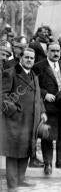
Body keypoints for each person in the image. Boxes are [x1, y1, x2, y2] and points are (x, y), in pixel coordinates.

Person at [1, 47, 46, 192]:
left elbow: (38, 96)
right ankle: (12, 185)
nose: (29, 60)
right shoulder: (10, 73)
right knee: (13, 152)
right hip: (15, 121)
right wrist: (15, 112)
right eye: (26, 57)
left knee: (26, 150)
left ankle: (21, 180)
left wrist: (43, 111)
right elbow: (3, 96)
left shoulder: (34, 75)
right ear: (20, 58)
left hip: (31, 121)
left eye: (32, 58)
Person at [33, 42, 61, 176]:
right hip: (49, 107)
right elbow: (35, 85)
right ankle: (48, 164)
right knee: (48, 136)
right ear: (47, 52)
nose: (56, 53)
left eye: (58, 51)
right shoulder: (39, 66)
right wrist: (45, 94)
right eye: (52, 51)